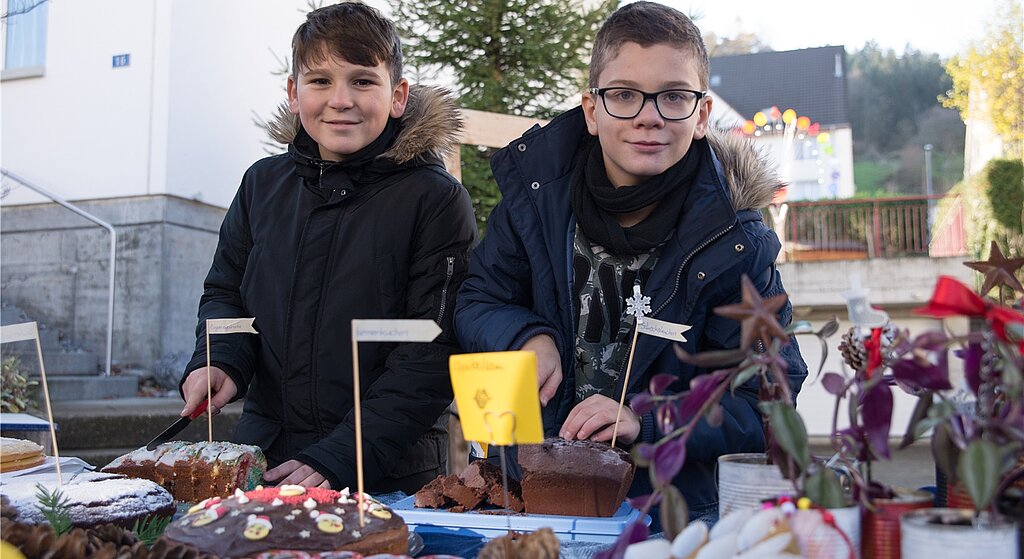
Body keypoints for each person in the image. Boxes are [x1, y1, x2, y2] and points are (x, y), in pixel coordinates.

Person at [453, 1, 806, 521]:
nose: (649, 116)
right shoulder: (534, 202)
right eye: (623, 95)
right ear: (592, 111)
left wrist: (651, 419)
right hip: (531, 500)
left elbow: (767, 401)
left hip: (670, 515)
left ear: (702, 114)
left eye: (673, 97)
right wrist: (526, 337)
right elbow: (477, 299)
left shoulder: (737, 241)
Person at [179, 2, 476, 494]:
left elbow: (429, 346)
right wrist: (221, 358)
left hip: (386, 476)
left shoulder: (434, 199)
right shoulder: (261, 186)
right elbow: (226, 294)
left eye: (362, 81)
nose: (340, 100)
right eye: (319, 81)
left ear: (397, 95)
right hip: (265, 460)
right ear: (293, 94)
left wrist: (345, 454)